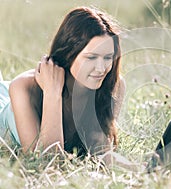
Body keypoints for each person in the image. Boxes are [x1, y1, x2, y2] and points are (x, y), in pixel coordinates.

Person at [0, 6, 125, 157]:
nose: (101, 69)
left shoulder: (113, 85)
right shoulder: (23, 87)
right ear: (69, 54)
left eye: (107, 58)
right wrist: (52, 93)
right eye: (91, 58)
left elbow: (99, 152)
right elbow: (47, 160)